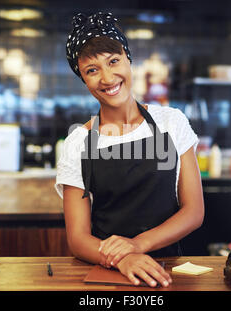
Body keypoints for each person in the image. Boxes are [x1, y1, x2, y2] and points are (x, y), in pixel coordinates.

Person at [55, 12, 204, 288]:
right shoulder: (78, 142)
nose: (108, 77)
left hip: (168, 272)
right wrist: (121, 260)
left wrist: (135, 246)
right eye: (92, 70)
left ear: (128, 58)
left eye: (113, 61)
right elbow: (78, 239)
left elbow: (193, 211)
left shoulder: (171, 122)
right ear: (83, 80)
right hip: (106, 270)